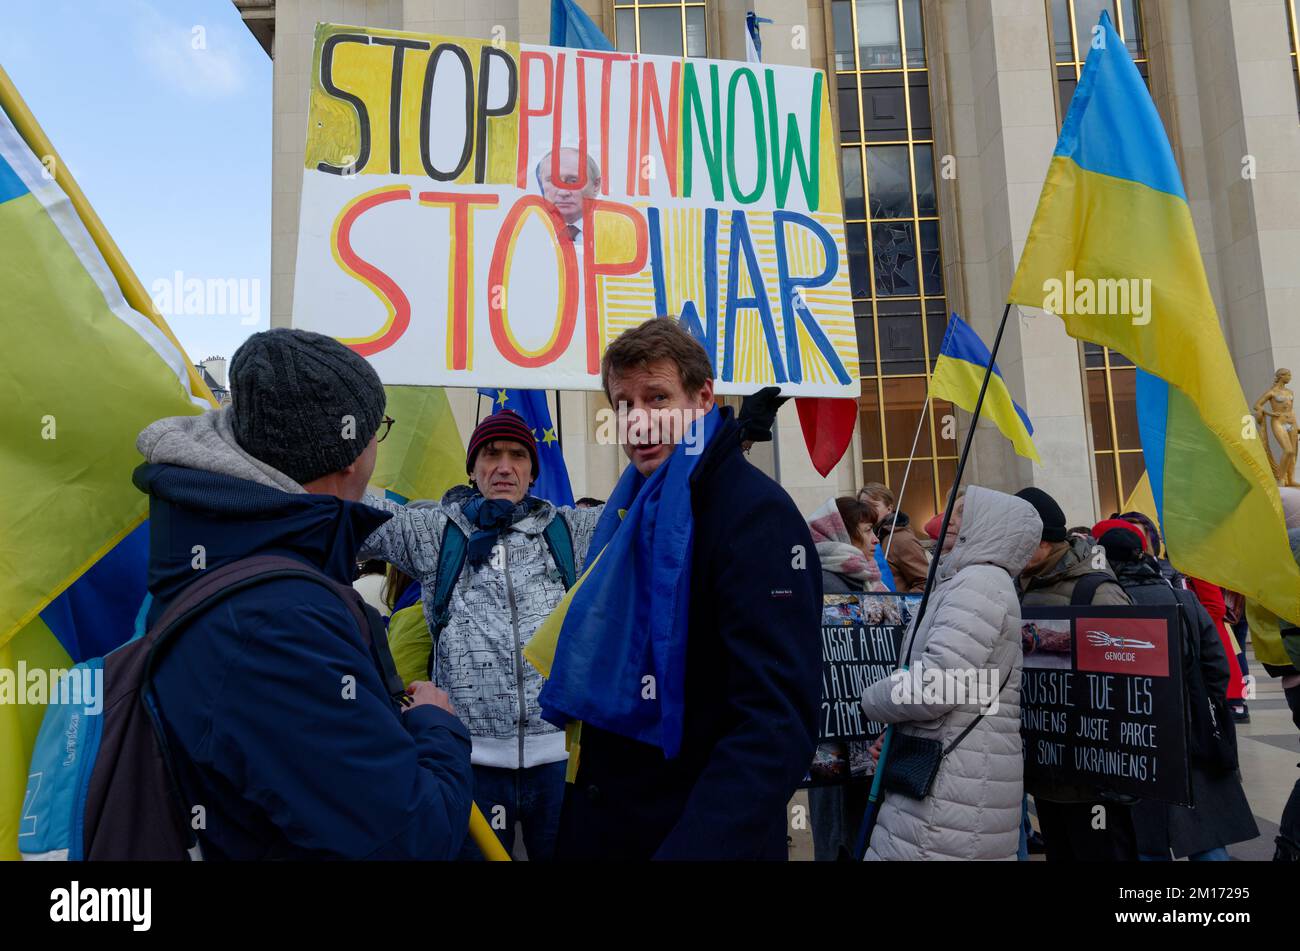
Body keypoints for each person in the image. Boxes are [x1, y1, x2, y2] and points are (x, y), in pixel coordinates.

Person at [134, 328, 474, 860]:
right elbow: (411, 839)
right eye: (377, 431)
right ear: (349, 457)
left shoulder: (231, 558)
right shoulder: (277, 624)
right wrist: (437, 725)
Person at [551, 317, 823, 860]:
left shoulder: (756, 516)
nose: (638, 421)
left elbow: (773, 727)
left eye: (657, 398)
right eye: (624, 403)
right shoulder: (626, 513)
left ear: (703, 399)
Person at [359, 410, 602, 861]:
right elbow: (350, 511)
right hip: (470, 765)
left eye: (516, 455)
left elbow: (653, 513)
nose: (504, 466)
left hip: (557, 761)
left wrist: (731, 447)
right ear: (472, 469)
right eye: (490, 455)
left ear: (532, 470)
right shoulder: (437, 531)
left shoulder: (571, 530)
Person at [860, 487, 1043, 860]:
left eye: (961, 513)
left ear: (988, 525)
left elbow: (938, 684)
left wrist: (872, 699)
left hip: (952, 790)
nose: (947, 522)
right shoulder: (971, 583)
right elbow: (974, 691)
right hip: (954, 775)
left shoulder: (978, 584)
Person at [1090, 519, 1258, 860]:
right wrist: (1206, 707)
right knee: (1205, 834)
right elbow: (1217, 666)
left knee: (1147, 838)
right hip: (1191, 726)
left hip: (1134, 735)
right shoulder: (1184, 598)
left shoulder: (1104, 605)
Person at [1015, 486, 1135, 862]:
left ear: (1044, 542)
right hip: (1047, 772)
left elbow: (1131, 682)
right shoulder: (1021, 586)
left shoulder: (1096, 591)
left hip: (1093, 781)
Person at [805, 496, 888, 860]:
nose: (875, 541)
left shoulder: (863, 577)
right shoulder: (825, 578)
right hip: (834, 727)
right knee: (842, 833)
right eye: (868, 530)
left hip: (862, 724)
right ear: (842, 531)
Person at [859, 483, 929, 593]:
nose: (867, 510)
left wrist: (900, 605)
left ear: (889, 508)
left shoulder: (903, 540)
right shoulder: (866, 536)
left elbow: (924, 582)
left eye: (874, 506)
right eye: (863, 505)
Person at [535, 148, 600, 242]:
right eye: (553, 181)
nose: (563, 193)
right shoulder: (525, 236)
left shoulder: (618, 234)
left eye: (573, 181)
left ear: (596, 185)